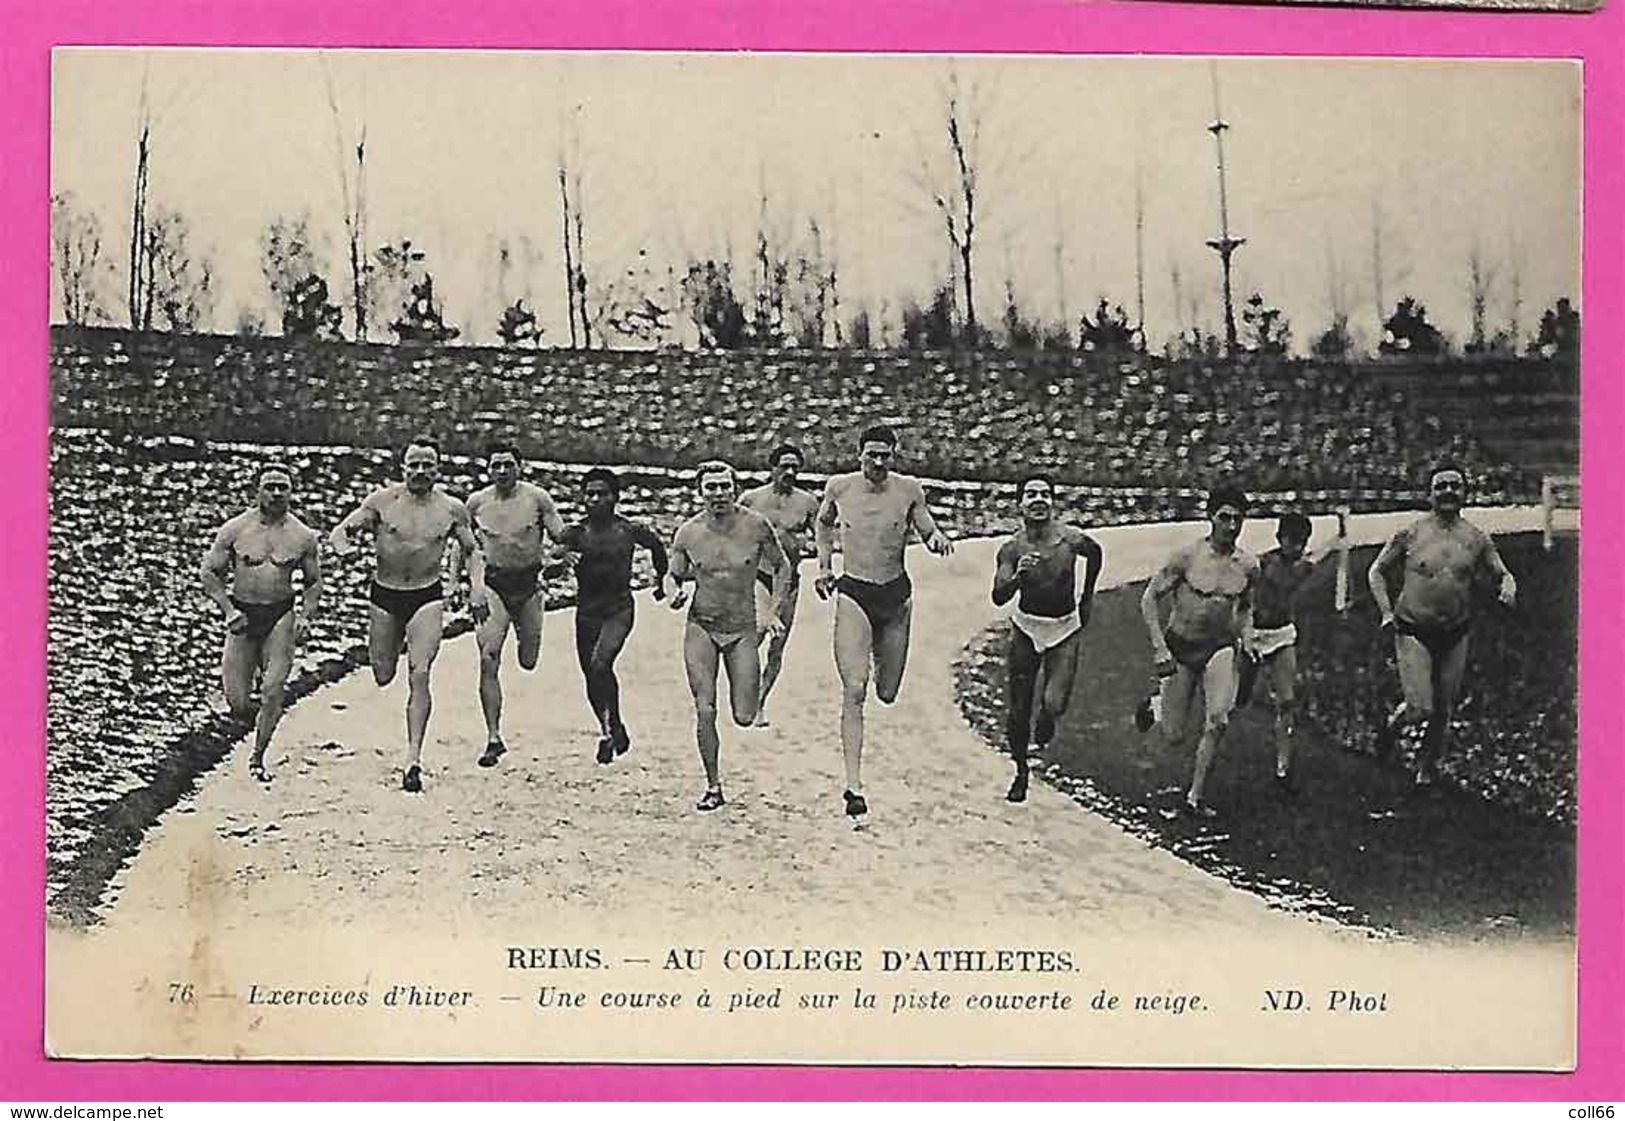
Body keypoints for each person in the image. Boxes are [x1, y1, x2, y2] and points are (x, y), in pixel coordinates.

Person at [814, 425, 954, 817]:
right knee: (854, 689)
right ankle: (853, 785)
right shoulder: (839, 487)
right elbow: (823, 524)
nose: (877, 462)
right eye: (871, 454)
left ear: (893, 457)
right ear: (859, 454)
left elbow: (925, 523)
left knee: (887, 692)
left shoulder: (908, 489)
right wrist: (824, 566)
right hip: (854, 592)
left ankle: (879, 653)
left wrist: (936, 537)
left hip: (895, 597)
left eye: (885, 456)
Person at [328, 437, 482, 793]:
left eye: (428, 465)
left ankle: (413, 758)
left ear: (437, 469)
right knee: (383, 673)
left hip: (427, 596)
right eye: (414, 464)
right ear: (403, 468)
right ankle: (394, 645)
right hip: (385, 595)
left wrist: (474, 587)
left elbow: (473, 551)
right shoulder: (383, 501)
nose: (420, 471)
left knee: (421, 672)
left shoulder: (452, 508)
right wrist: (344, 551)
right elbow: (342, 531)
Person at [1367, 463, 1517, 785]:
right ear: (1430, 494)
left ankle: (1426, 767)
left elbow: (1503, 573)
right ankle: (1390, 729)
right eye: (1441, 486)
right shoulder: (1411, 534)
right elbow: (1376, 571)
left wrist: (1508, 587)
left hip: (1455, 631)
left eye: (1455, 486)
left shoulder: (1477, 539)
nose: (1448, 491)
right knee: (1420, 706)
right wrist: (1385, 611)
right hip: (1413, 628)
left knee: (1443, 707)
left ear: (1465, 493)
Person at [668, 460, 789, 811]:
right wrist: (674, 589)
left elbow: (782, 567)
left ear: (735, 489)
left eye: (725, 486)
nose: (718, 493)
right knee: (705, 709)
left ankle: (749, 711)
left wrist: (772, 610)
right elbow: (673, 574)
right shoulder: (688, 533)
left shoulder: (756, 526)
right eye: (711, 487)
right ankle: (713, 785)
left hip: (742, 629)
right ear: (700, 492)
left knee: (744, 715)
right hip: (701, 626)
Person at [1139, 486, 1260, 819]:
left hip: (1219, 648)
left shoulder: (1248, 565)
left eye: (1238, 519)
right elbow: (1149, 599)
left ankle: (1195, 796)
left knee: (1219, 719)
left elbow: (1247, 606)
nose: (1231, 526)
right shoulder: (1187, 557)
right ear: (1210, 517)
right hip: (1180, 647)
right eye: (1225, 518)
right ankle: (1156, 706)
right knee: (1174, 735)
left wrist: (1247, 639)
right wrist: (1159, 647)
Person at [200, 465, 322, 783]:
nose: (277, 493)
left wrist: (307, 616)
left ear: (292, 492)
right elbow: (209, 573)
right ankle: (255, 718)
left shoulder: (302, 536)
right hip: (242, 613)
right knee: (237, 700)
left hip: (280, 613)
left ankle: (258, 755)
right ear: (257, 491)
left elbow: (313, 581)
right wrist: (227, 610)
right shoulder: (236, 529)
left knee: (273, 688)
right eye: (270, 486)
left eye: (283, 487)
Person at [990, 476, 1103, 803]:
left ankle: (1048, 717)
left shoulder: (1071, 540)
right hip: (1026, 626)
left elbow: (1095, 554)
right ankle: (1021, 770)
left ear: (1053, 502)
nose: (1038, 500)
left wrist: (1087, 597)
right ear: (1020, 504)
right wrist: (1017, 578)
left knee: (1054, 702)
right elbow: (998, 596)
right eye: (1031, 495)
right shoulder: (1012, 548)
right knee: (1018, 708)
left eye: (1045, 494)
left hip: (1064, 626)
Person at [558, 468, 672, 764]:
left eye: (603, 494)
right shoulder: (575, 533)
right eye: (590, 494)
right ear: (582, 498)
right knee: (592, 675)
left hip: (619, 610)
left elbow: (658, 547)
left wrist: (662, 580)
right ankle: (611, 727)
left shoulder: (629, 530)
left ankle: (610, 729)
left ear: (615, 498)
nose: (596, 499)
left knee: (600, 663)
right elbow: (549, 567)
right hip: (586, 613)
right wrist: (562, 560)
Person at [466, 442, 567, 768]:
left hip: (528, 586)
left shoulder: (537, 499)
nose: (502, 471)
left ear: (520, 466)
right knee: (488, 655)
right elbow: (466, 547)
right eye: (495, 466)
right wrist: (470, 586)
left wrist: (558, 559)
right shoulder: (477, 503)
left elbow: (561, 538)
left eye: (508, 465)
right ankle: (493, 737)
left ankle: (528, 643)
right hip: (494, 584)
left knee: (528, 659)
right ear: (488, 469)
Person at [739, 443, 820, 726]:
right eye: (784, 466)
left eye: (795, 467)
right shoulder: (751, 499)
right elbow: (731, 531)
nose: (790, 472)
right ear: (772, 468)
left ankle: (759, 703)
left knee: (777, 645)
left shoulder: (808, 503)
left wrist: (824, 568)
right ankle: (745, 696)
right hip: (758, 577)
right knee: (758, 632)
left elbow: (822, 537)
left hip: (789, 582)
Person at [1237, 512, 1317, 794]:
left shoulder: (1305, 565)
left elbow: (1331, 548)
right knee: (1239, 697)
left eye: (1301, 543)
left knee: (1287, 701)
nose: (1295, 548)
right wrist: (1245, 634)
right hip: (1255, 634)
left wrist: (1343, 527)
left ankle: (1283, 768)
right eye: (1291, 541)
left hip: (1282, 635)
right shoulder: (1262, 564)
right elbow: (1242, 600)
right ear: (1279, 539)